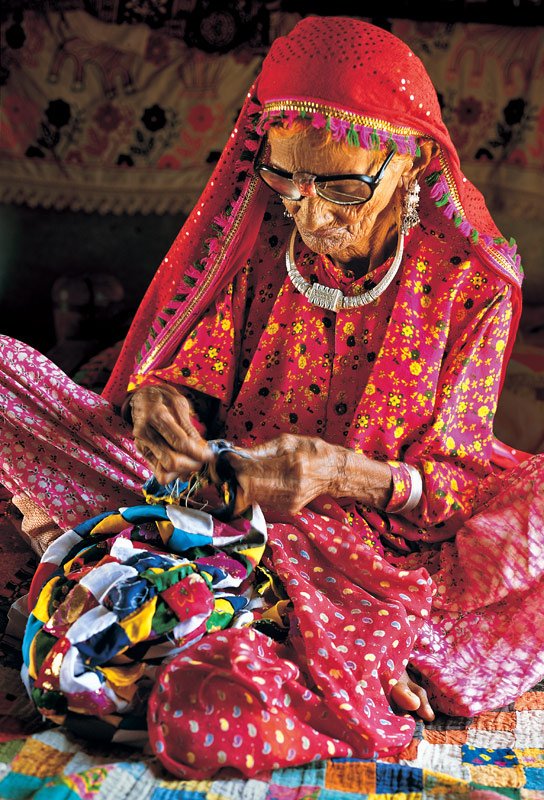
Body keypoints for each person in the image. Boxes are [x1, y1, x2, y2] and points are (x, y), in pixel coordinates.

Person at [1, 16, 543, 779]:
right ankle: (258, 623)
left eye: (344, 187)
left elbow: (451, 487)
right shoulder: (259, 237)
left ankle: (249, 617)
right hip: (213, 508)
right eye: (288, 179)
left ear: (414, 163)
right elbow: (189, 372)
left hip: (371, 548)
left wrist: (334, 474)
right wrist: (160, 405)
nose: (311, 215)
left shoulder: (473, 284)